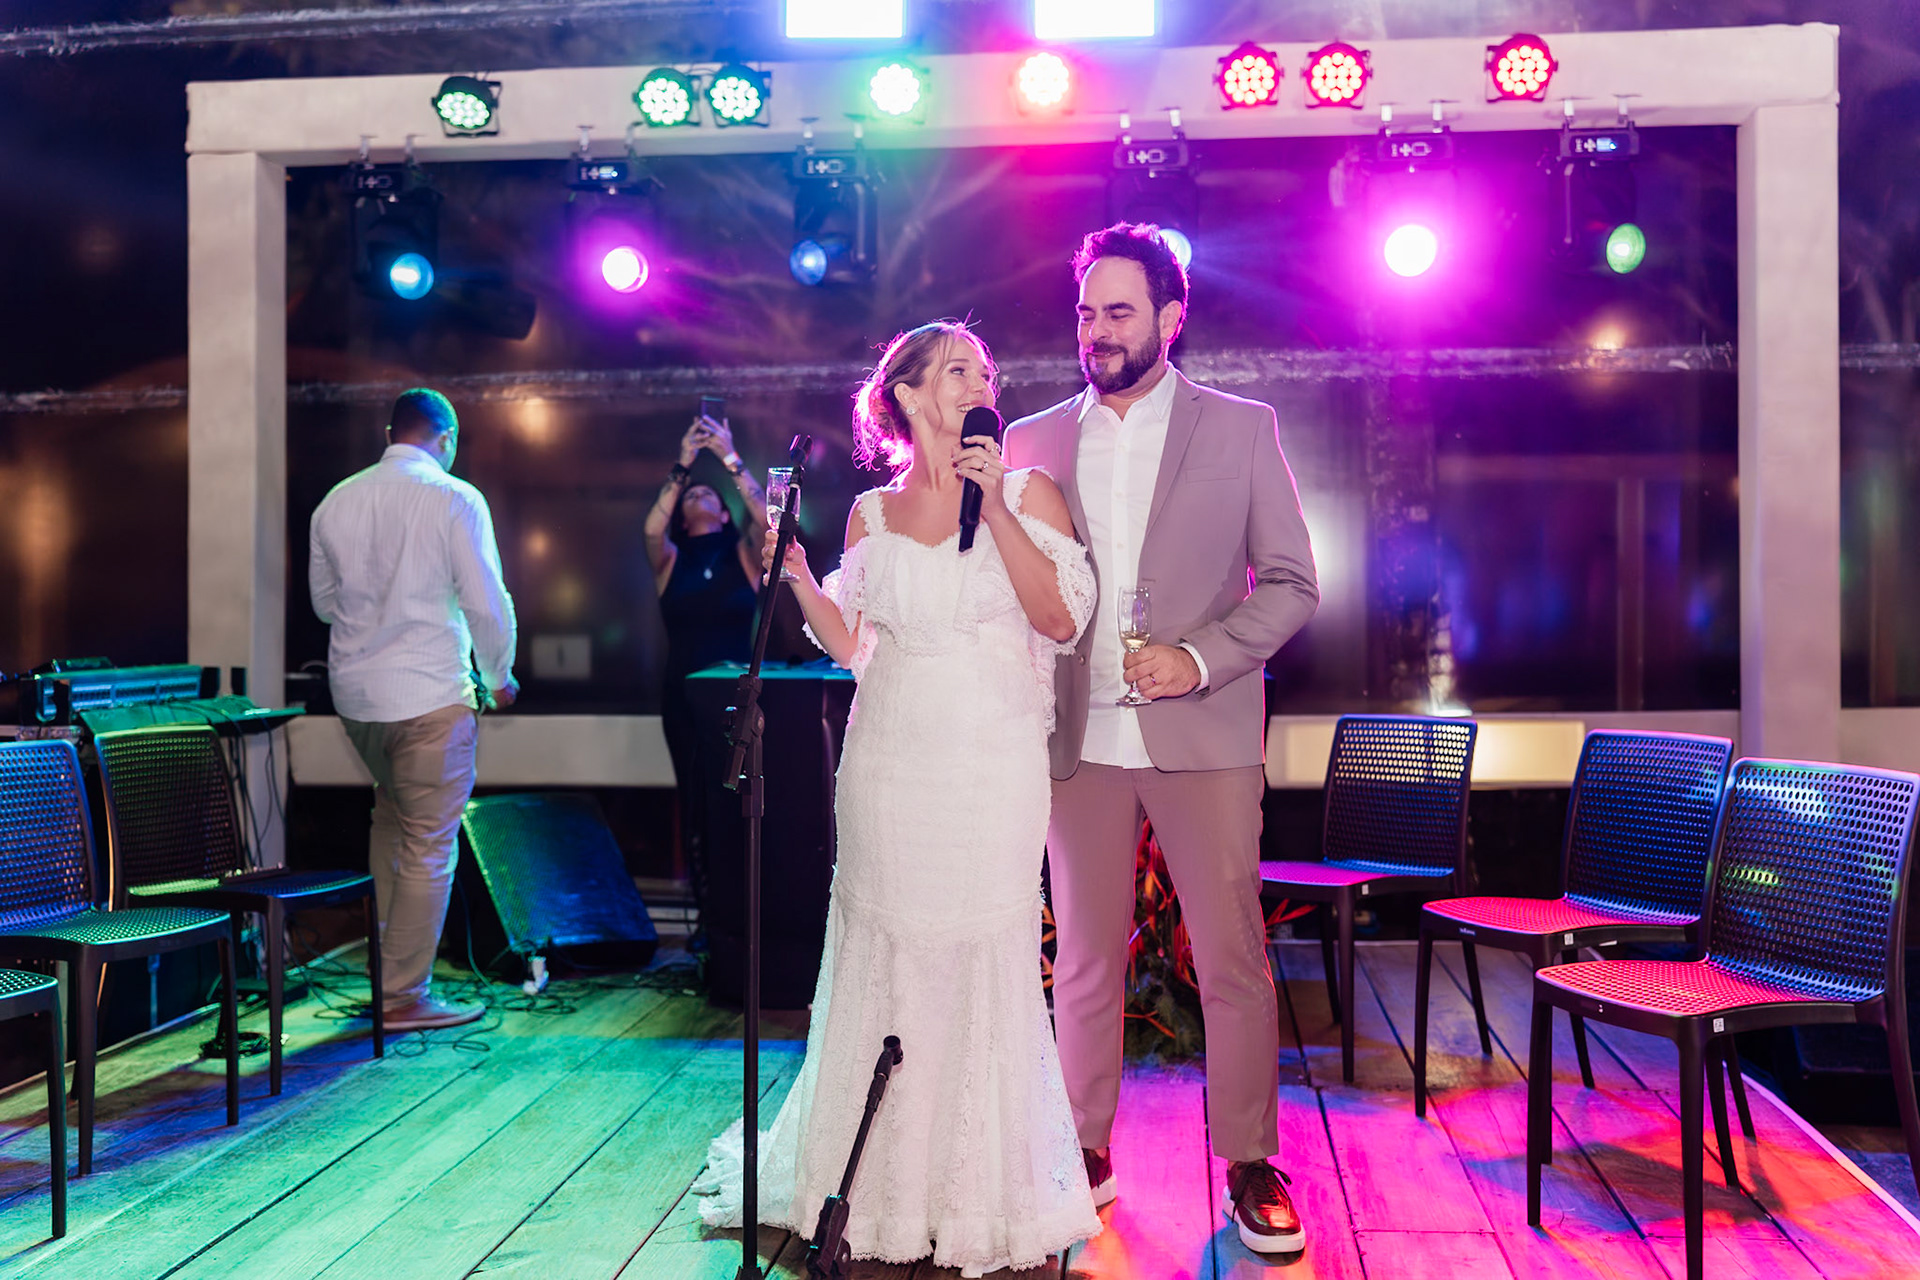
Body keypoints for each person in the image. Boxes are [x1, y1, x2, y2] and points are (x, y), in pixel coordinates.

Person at [693, 321, 1102, 1277]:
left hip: (991, 767)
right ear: (909, 394)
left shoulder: (1028, 490)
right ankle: (873, 1181)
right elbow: (853, 646)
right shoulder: (870, 515)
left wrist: (993, 506)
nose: (979, 382)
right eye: (958, 370)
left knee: (979, 946)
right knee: (885, 948)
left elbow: (1061, 617)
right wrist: (795, 576)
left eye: (986, 371)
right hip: (889, 766)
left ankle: (977, 1189)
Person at [1003, 224, 1320, 1255]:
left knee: (1229, 957)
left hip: (1206, 731)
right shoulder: (1031, 440)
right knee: (1085, 960)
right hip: (1075, 741)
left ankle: (1251, 1164)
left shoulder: (1242, 427)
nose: (1097, 330)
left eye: (1120, 311)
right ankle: (1082, 1154)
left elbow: (1292, 583)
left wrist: (1200, 657)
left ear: (1172, 317)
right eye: (1087, 311)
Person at [308, 387, 519, 1033]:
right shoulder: (454, 497)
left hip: (358, 700)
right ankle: (401, 995)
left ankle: (385, 977)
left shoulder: (335, 500)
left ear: (390, 431)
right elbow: (485, 601)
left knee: (390, 822)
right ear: (446, 438)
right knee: (428, 844)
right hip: (428, 693)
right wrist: (499, 676)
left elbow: (323, 604)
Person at [644, 413, 768, 934]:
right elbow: (652, 527)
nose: (698, 496)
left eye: (707, 494)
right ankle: (707, 931)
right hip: (684, 699)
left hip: (736, 700)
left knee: (737, 807)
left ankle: (744, 921)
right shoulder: (670, 558)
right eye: (690, 495)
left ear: (722, 511)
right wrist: (684, 463)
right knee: (695, 805)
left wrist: (730, 458)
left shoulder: (742, 553)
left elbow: (769, 522)